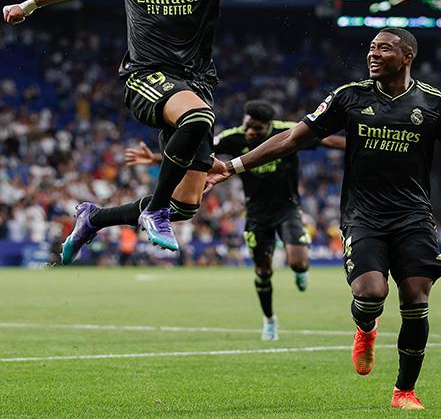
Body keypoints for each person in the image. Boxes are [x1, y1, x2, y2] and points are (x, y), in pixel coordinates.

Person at [205, 27, 441, 410]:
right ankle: (365, 328)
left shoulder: (435, 105)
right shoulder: (349, 97)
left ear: (407, 56)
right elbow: (293, 138)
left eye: (385, 48)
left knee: (415, 297)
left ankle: (404, 392)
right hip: (363, 216)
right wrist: (233, 166)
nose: (373, 54)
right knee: (370, 293)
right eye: (371, 48)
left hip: (413, 216)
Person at [3, 0, 282, 258]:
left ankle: (94, 218)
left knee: (186, 206)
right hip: (145, 77)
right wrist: (31, 4)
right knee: (198, 118)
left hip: (195, 83)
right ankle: (154, 209)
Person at [126, 99, 345, 341]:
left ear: (269, 126)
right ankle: (269, 320)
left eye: (257, 129)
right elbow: (194, 148)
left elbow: (326, 139)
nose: (250, 132)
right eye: (248, 125)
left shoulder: (287, 130)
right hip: (255, 213)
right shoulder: (234, 137)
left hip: (288, 208)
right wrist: (157, 158)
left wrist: (357, 145)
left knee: (299, 263)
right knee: (263, 271)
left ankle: (300, 271)